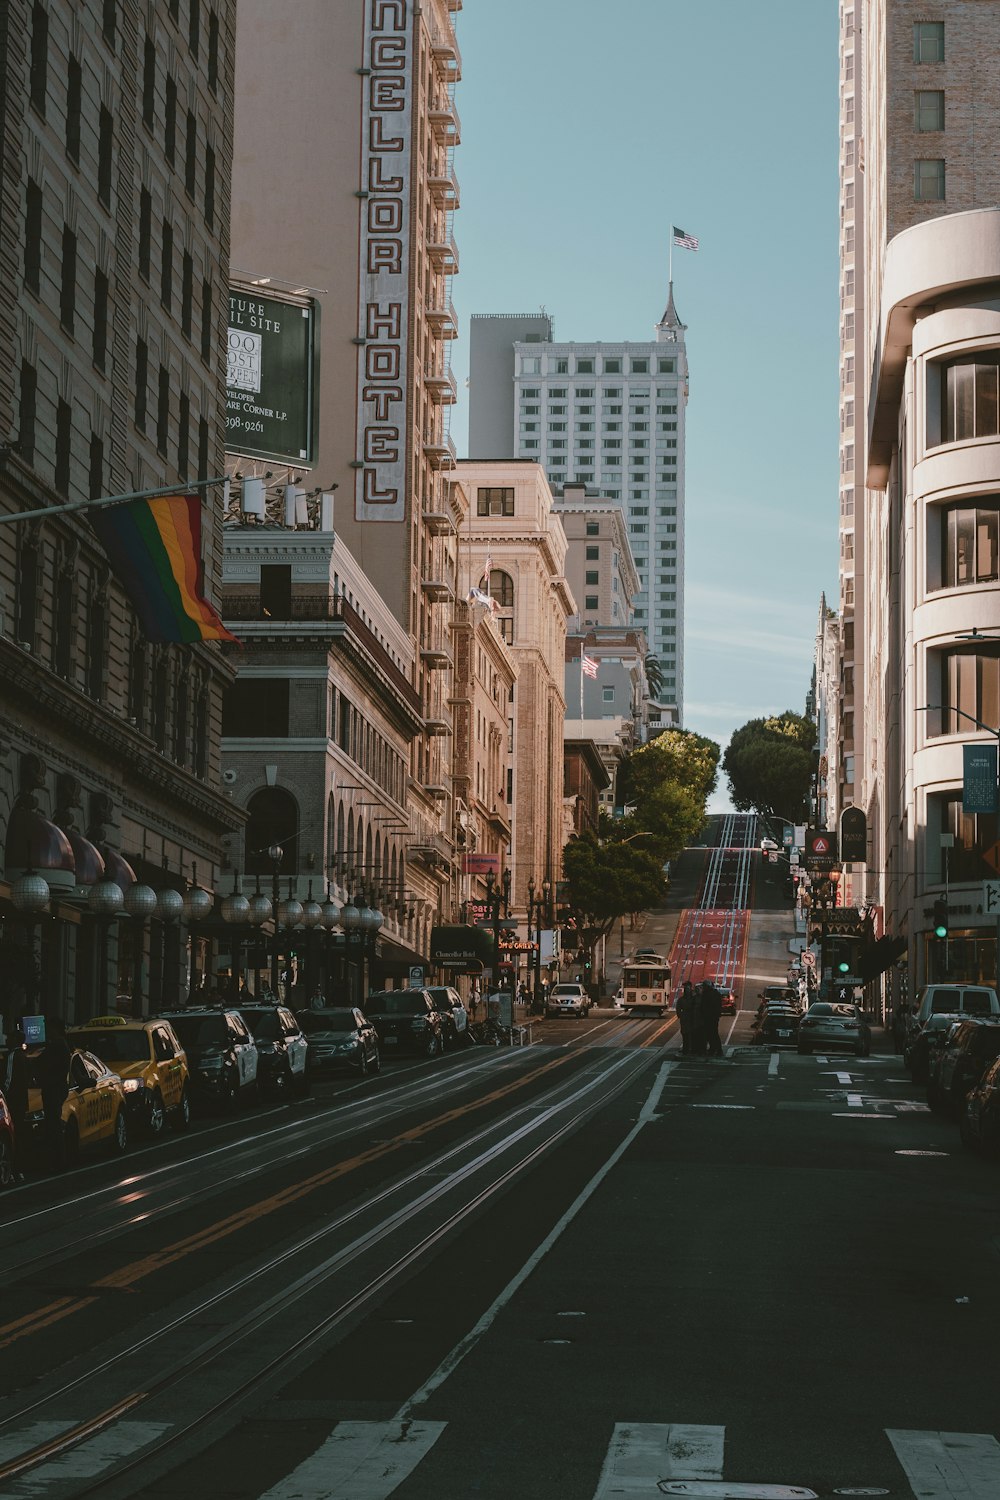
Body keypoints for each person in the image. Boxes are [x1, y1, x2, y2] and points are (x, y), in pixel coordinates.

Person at [38, 1015, 71, 1172]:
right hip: (56, 1087)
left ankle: (57, 1162)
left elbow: (45, 1064)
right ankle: (58, 1161)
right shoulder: (59, 1045)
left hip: (54, 1088)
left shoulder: (57, 1046)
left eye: (48, 1028)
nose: (46, 1031)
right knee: (53, 1124)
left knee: (53, 1125)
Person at [3, 1025, 29, 1181]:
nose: (6, 1039)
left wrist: (4, 1096)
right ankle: (18, 1170)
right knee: (19, 1135)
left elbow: (8, 1079)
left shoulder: (13, 1056)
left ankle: (12, 1171)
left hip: (12, 1102)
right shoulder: (24, 1056)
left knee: (10, 1135)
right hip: (21, 1102)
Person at [699, 981, 724, 1058]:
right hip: (714, 1017)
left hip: (708, 1017)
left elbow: (703, 1006)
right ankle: (716, 1049)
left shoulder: (706, 994)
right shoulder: (717, 994)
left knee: (710, 1034)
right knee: (714, 1034)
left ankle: (714, 1049)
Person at [675, 981, 697, 1055]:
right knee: (685, 1035)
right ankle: (686, 1049)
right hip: (685, 1019)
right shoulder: (681, 999)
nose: (686, 990)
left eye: (688, 988)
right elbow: (678, 1009)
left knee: (693, 1035)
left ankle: (692, 1049)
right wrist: (681, 1016)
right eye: (685, 988)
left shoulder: (694, 998)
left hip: (692, 1018)